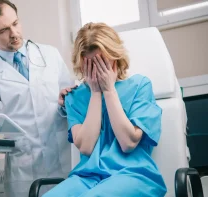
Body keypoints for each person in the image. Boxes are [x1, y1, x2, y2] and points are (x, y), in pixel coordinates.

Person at [0, 0, 76, 196]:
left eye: (15, 24)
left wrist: (66, 102)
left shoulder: (50, 55)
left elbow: (71, 101)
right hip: (25, 169)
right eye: (4, 30)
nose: (14, 33)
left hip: (64, 160)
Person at [43, 23, 167, 197]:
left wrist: (109, 91)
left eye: (102, 63)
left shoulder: (140, 86)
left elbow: (128, 143)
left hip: (132, 174)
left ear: (115, 57)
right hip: (87, 178)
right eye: (91, 65)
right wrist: (95, 92)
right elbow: (86, 147)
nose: (98, 71)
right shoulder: (74, 97)